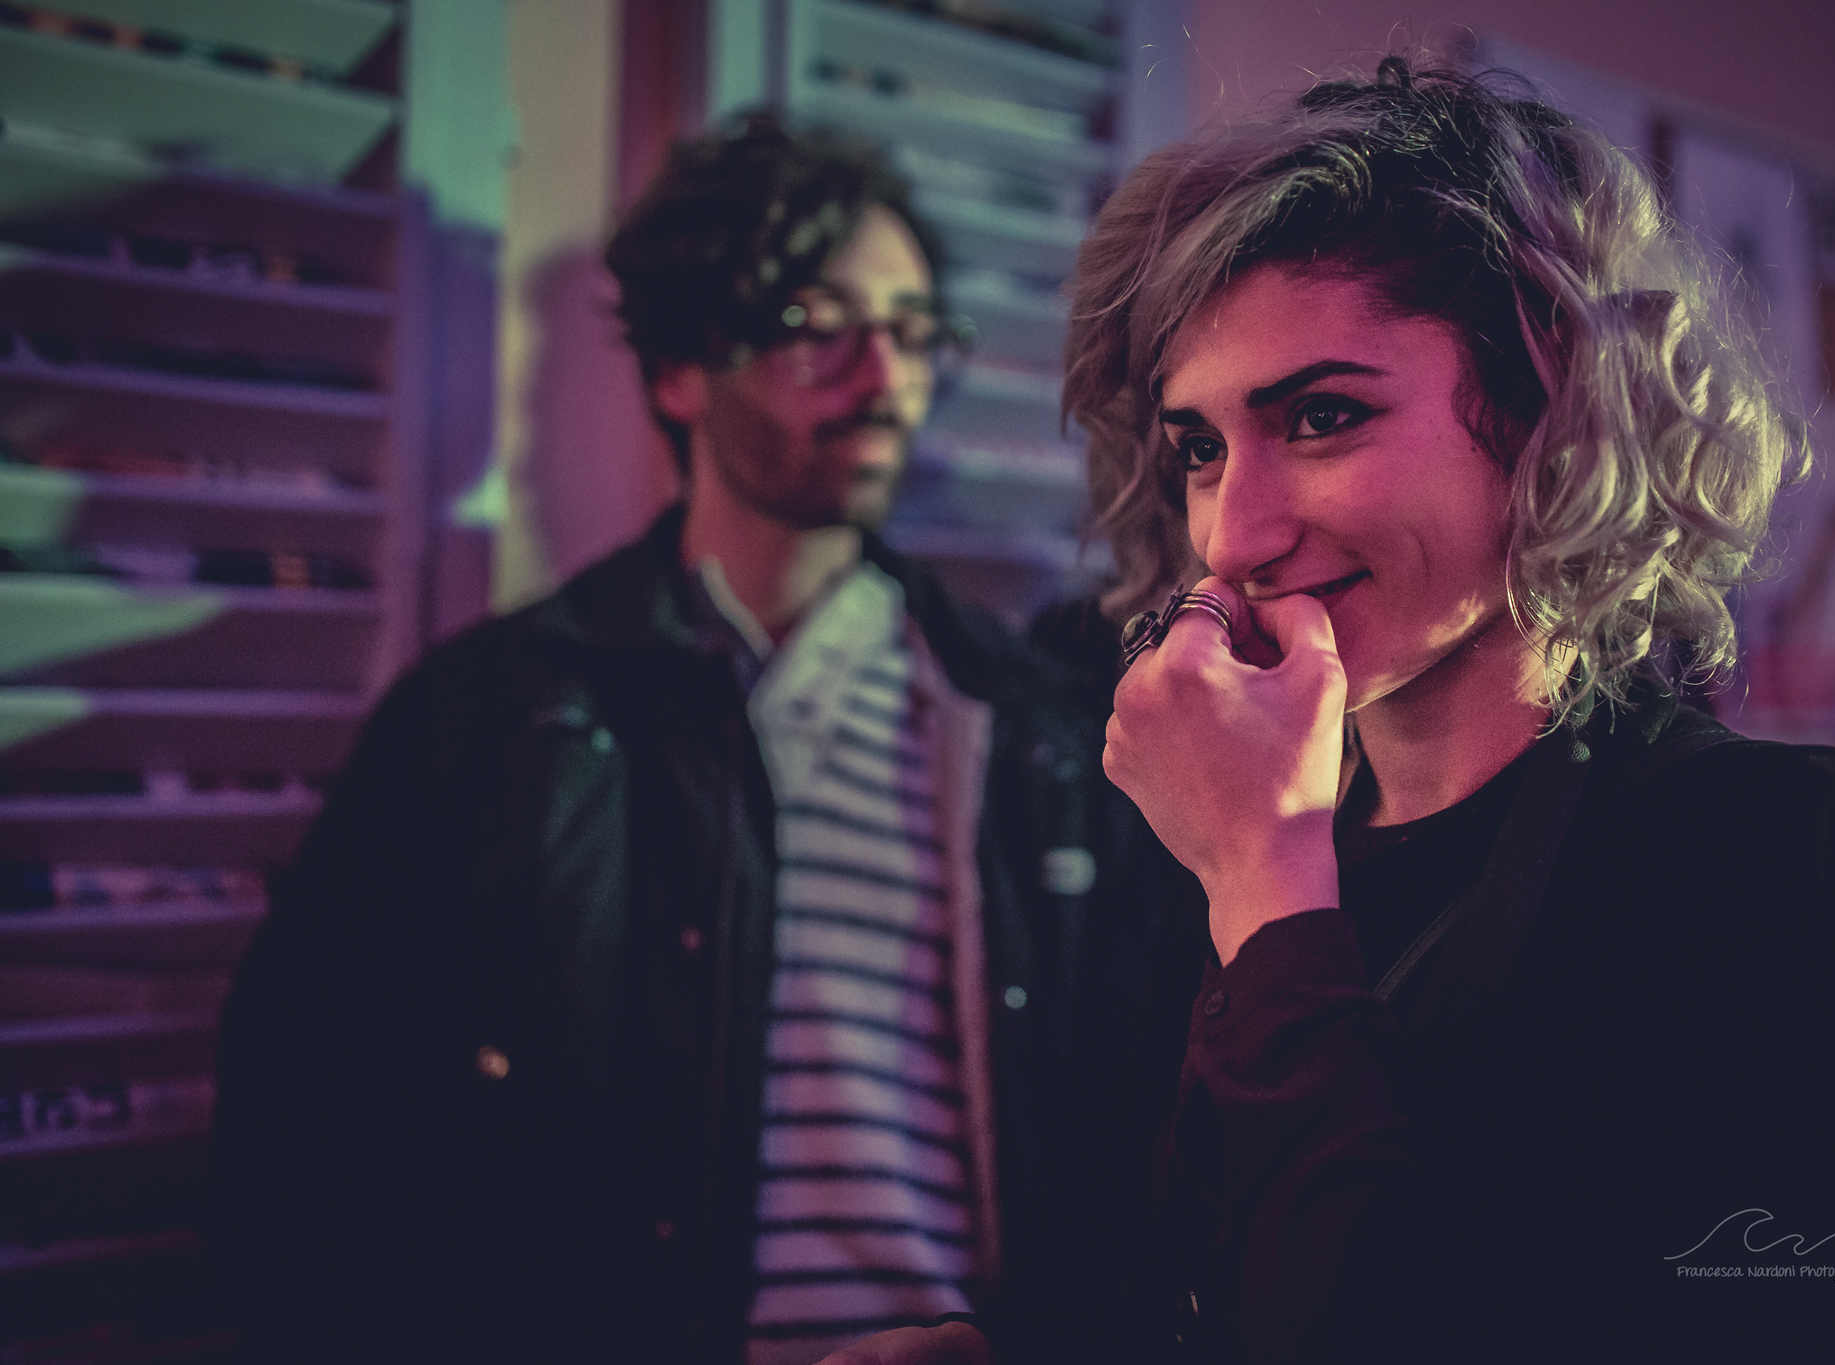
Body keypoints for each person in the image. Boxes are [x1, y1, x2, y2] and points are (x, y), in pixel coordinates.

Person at [829, 56, 1835, 1365]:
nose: (1233, 537)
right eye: (1200, 448)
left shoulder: (1789, 858)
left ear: (1552, 412)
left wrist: (1267, 885)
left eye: (1322, 417)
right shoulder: (1189, 849)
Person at [209, 112, 1204, 1365]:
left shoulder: (1030, 726)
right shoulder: (498, 717)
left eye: (910, 332)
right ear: (681, 367)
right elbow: (303, 1130)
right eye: (815, 325)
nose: (883, 376)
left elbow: (1143, 1160)